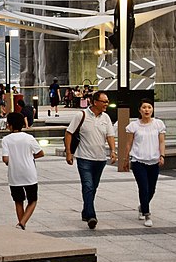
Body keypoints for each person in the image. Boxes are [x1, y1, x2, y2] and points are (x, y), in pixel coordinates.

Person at [64, 90, 117, 229]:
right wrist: (69, 153)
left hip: (100, 159)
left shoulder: (106, 118)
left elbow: (110, 136)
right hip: (84, 158)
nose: (107, 104)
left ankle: (85, 211)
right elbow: (69, 133)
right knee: (88, 186)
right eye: (104, 101)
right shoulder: (81, 115)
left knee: (93, 187)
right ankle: (91, 216)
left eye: (107, 101)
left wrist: (113, 151)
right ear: (95, 102)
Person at [123, 99, 167, 227]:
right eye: (144, 107)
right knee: (143, 187)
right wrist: (126, 159)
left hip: (154, 160)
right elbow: (128, 143)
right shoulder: (134, 126)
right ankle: (147, 214)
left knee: (151, 189)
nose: (147, 110)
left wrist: (162, 155)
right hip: (138, 160)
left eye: (149, 107)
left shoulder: (158, 124)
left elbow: (162, 142)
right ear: (139, 110)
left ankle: (142, 206)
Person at [2, 112, 45, 230]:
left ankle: (21, 224)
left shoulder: (6, 139)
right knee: (33, 200)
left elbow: (5, 159)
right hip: (29, 173)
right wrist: (29, 157)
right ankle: (22, 223)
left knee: (18, 201)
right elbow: (40, 153)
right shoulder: (29, 138)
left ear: (9, 125)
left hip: (14, 175)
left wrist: (11, 161)